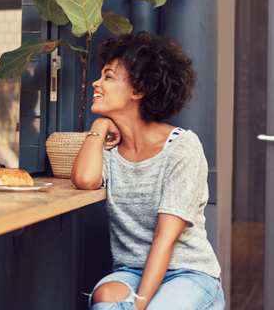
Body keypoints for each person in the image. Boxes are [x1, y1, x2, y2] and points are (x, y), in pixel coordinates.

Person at [71, 32, 225, 310]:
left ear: (138, 91)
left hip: (189, 273)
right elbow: (84, 180)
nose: (96, 82)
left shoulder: (182, 147)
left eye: (108, 76)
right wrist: (99, 126)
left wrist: (141, 303)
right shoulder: (107, 149)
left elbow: (164, 238)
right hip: (131, 271)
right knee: (104, 298)